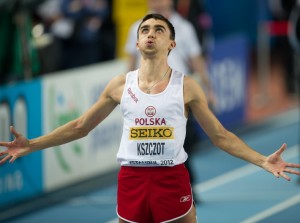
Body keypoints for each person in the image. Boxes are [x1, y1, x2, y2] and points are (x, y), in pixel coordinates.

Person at [1, 14, 300, 223]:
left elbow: (220, 136)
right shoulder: (121, 85)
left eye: (159, 30)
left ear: (171, 43)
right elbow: (81, 126)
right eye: (145, 30)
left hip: (171, 178)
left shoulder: (187, 86)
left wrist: (262, 160)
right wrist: (32, 145)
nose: (150, 34)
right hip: (131, 178)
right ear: (137, 41)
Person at [125, 0, 214, 202]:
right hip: (148, 96)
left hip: (180, 94)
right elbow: (131, 61)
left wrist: (209, 89)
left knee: (186, 140)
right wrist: (127, 89)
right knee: (157, 145)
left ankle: (185, 183)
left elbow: (196, 59)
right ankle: (172, 188)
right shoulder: (137, 28)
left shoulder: (184, 27)